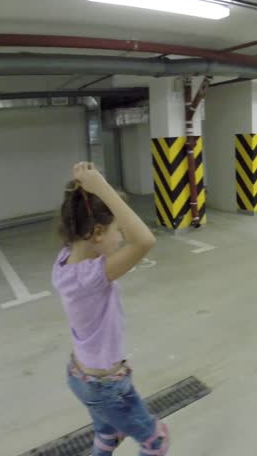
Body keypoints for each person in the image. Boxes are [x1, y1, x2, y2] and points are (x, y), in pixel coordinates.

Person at [52, 162, 169, 456]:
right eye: (118, 230)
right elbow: (144, 240)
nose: (121, 239)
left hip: (81, 376)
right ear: (98, 232)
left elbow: (90, 230)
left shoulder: (65, 262)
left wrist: (88, 189)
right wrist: (101, 187)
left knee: (107, 437)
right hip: (106, 387)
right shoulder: (91, 276)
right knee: (156, 443)